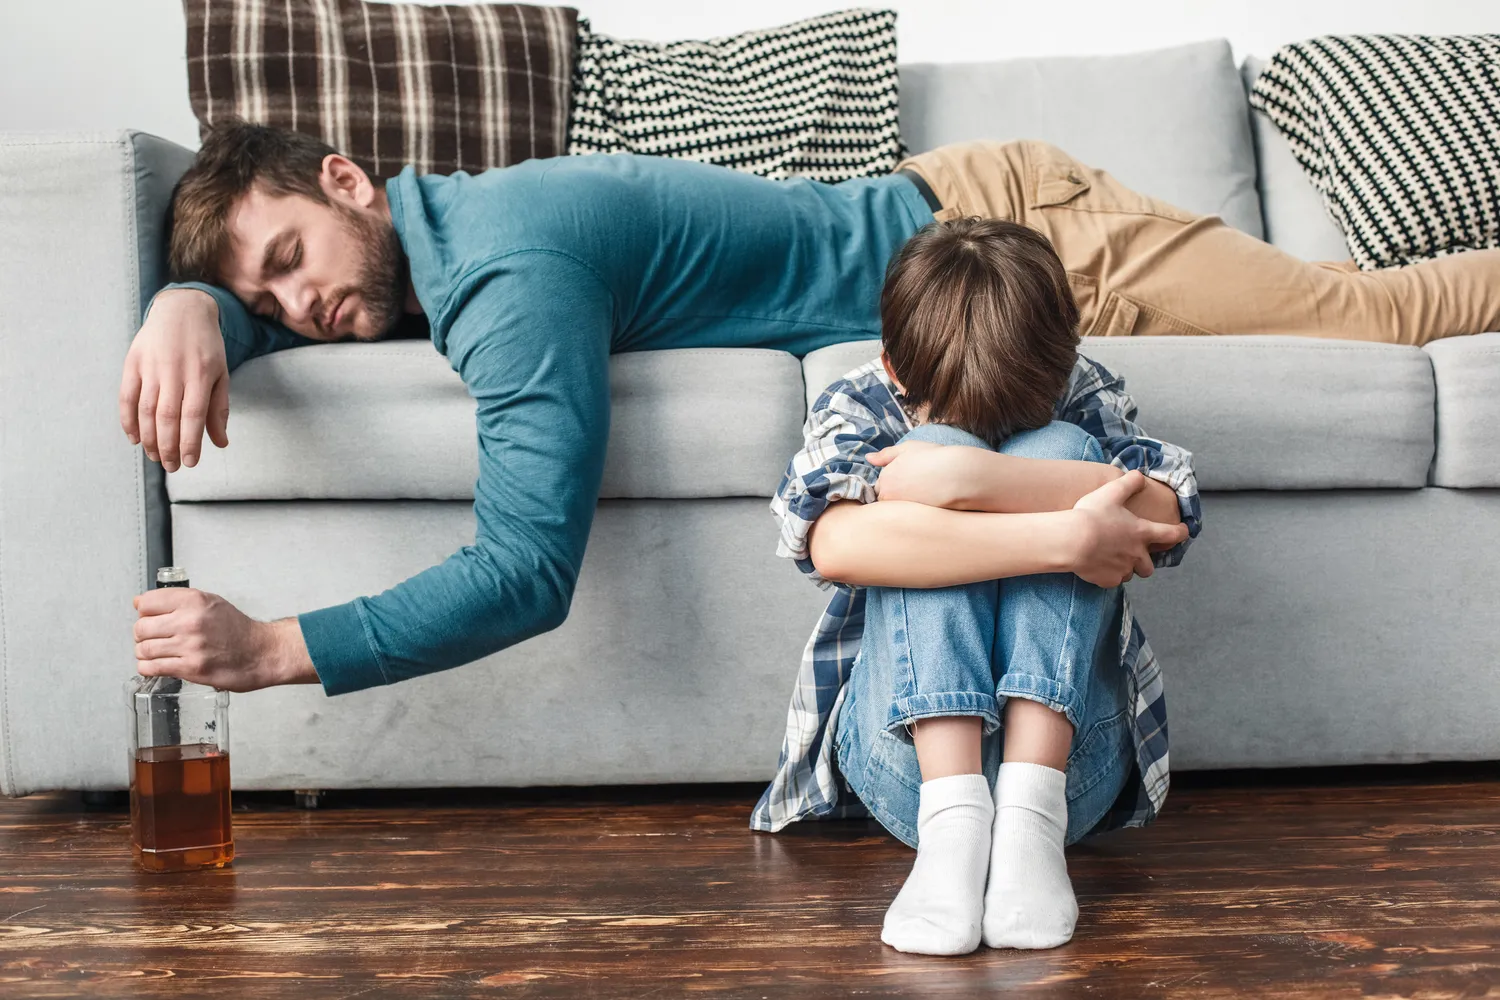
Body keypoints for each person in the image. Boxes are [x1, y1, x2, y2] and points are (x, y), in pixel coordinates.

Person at [124, 121, 1488, 695]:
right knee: (1344, 302)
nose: (292, 303)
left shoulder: (507, 270)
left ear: (352, 182)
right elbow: (320, 293)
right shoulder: (437, 239)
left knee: (1372, 315)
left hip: (1013, 234)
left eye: (287, 257)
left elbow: (526, 573)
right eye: (265, 294)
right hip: (962, 278)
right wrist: (197, 309)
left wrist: (270, 650)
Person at [752, 217, 1198, 954]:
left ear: (1067, 363)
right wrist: (1066, 533)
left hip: (1070, 776)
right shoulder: (861, 401)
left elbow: (1169, 510)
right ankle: (954, 830)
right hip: (909, 775)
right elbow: (833, 545)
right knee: (933, 449)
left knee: (1053, 445)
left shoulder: (1080, 393)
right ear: (894, 369)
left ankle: (1029, 821)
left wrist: (972, 480)